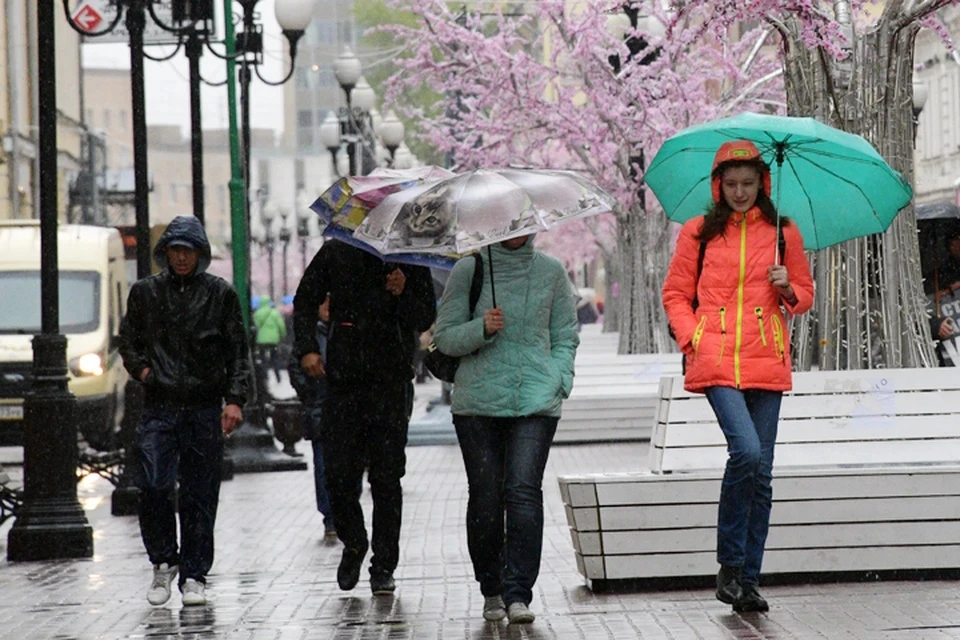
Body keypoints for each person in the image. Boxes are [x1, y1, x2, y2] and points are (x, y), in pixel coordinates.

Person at [662, 140, 814, 613]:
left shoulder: (783, 233)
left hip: (766, 357)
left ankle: (747, 582)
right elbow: (674, 294)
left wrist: (787, 288)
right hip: (717, 358)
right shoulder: (697, 232)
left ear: (762, 183)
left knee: (762, 474)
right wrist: (695, 340)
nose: (740, 192)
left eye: (748, 184)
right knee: (745, 452)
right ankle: (729, 563)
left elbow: (805, 295)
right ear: (718, 185)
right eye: (731, 184)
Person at [433, 235, 579, 625]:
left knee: (523, 492)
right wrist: (480, 327)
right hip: (478, 404)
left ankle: (519, 593)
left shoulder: (550, 271)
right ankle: (491, 588)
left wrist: (559, 378)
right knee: (485, 497)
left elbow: (566, 333)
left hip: (535, 400)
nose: (518, 229)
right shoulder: (470, 269)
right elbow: (444, 337)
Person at [118, 215, 249, 607]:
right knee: (154, 485)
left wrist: (235, 399)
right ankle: (163, 561)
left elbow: (236, 351)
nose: (180, 259)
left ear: (200, 254)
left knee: (199, 493)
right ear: (165, 254)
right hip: (160, 404)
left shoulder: (219, 295)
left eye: (187, 251)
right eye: (174, 251)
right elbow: (129, 341)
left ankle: (194, 573)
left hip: (203, 407)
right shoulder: (145, 294)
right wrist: (143, 370)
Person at [293, 240, 436, 596]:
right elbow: (304, 299)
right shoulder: (338, 251)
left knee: (387, 479)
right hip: (344, 381)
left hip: (391, 383)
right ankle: (354, 541)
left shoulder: (407, 257)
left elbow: (424, 317)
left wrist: (403, 292)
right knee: (338, 474)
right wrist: (308, 347)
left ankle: (384, 565)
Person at [287, 295, 337, 538]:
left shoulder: (346, 331)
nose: (327, 307)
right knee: (323, 466)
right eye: (323, 302)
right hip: (319, 408)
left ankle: (344, 511)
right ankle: (330, 516)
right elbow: (295, 366)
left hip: (345, 408)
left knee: (349, 465)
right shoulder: (309, 337)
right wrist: (309, 391)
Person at [253, 295, 287, 384]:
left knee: (263, 358)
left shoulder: (257, 313)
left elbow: (256, 326)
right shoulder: (274, 313)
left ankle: (265, 376)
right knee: (274, 358)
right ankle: (278, 377)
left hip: (261, 340)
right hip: (273, 339)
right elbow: (281, 325)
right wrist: (282, 335)